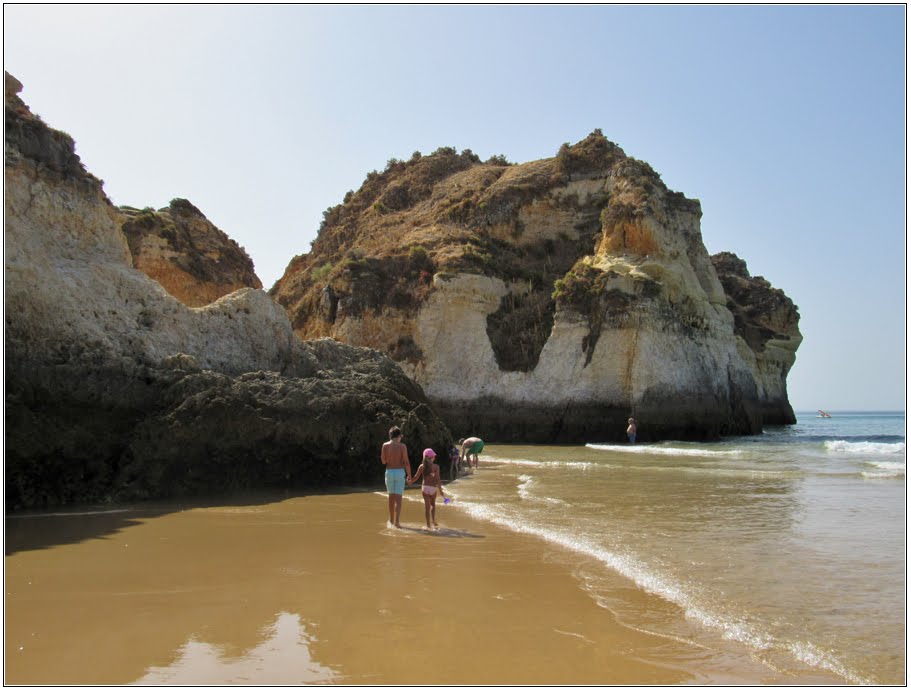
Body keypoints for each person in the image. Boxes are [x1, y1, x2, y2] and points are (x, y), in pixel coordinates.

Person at [381, 426, 412, 528]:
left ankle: (391, 520)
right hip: (399, 472)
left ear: (390, 436)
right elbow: (406, 462)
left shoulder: (385, 445)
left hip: (389, 472)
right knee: (398, 499)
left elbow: (383, 461)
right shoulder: (402, 446)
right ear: (398, 436)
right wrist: (409, 475)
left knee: (391, 497)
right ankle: (397, 522)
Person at [409, 448, 446, 529]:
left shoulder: (421, 466)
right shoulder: (436, 467)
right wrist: (441, 491)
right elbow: (438, 479)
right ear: (432, 457)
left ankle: (428, 525)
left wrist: (410, 481)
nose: (434, 458)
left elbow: (416, 477)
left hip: (425, 488)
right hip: (433, 489)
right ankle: (433, 520)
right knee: (433, 505)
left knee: (427, 507)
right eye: (434, 457)